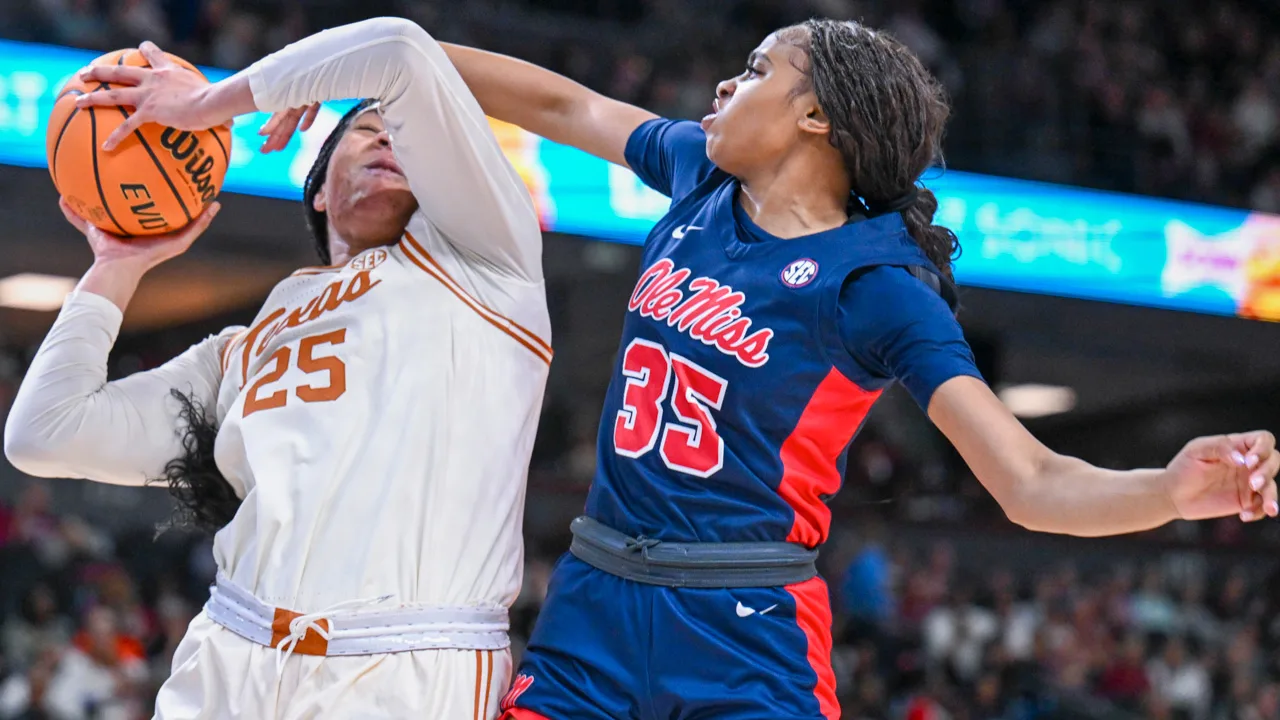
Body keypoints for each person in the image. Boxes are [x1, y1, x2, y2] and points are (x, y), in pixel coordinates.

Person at [245, 16, 1280, 720]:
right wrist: (370, 68)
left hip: (744, 627)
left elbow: (1029, 482)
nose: (722, 85)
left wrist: (1169, 490)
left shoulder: (875, 287)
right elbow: (558, 108)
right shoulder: (695, 176)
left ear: (815, 118)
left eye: (753, 72)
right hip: (595, 596)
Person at [4, 17, 549, 719]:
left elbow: (398, 51)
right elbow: (44, 433)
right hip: (231, 653)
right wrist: (117, 266)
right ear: (319, 190)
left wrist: (212, 105)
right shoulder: (242, 347)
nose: (388, 135)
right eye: (364, 130)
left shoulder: (487, 267)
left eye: (404, 132)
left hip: (402, 668)